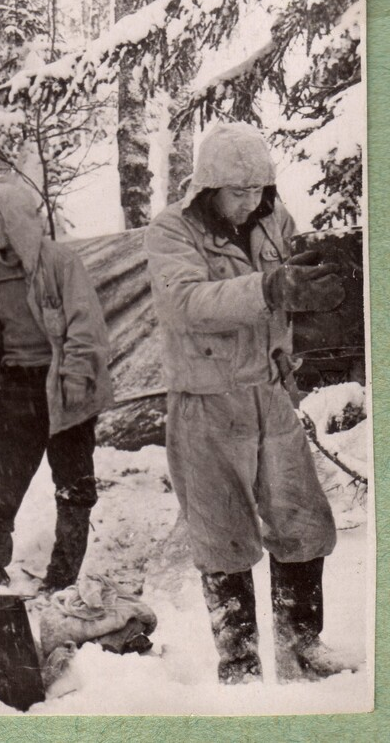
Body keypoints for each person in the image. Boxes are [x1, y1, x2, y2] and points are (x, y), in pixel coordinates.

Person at [146, 122, 356, 684]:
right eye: (238, 192)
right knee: (223, 534)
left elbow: (283, 294)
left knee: (302, 520)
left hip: (269, 394)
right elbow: (184, 303)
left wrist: (302, 296)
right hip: (206, 403)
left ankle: (301, 647)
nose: (250, 202)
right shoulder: (171, 230)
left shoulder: (273, 220)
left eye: (259, 190)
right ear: (208, 186)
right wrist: (270, 288)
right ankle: (238, 664)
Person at [0, 182, 114, 592]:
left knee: (72, 484)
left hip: (62, 384)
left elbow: (86, 323)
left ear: (14, 221)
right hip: (15, 386)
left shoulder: (60, 264)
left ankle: (63, 579)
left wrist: (79, 375)